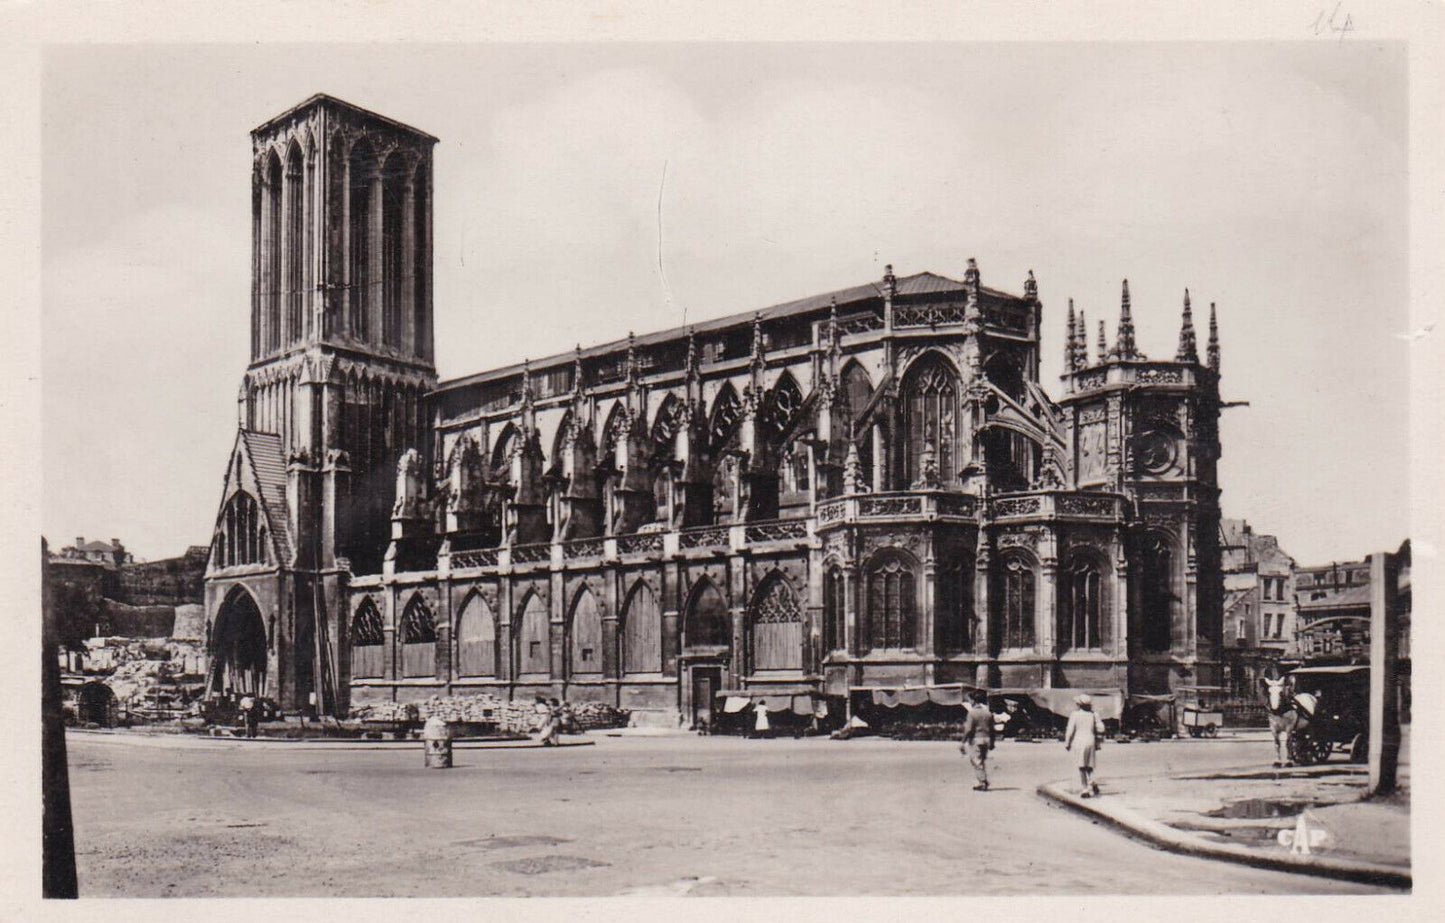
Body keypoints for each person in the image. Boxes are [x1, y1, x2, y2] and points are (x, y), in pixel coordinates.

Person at [1064, 694, 1106, 797]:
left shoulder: (1075, 715)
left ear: (1079, 705)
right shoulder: (1094, 714)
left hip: (1079, 740)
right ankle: (1092, 781)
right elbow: (1101, 728)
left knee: (1081, 766)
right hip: (1090, 740)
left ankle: (1085, 789)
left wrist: (1067, 742)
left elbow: (1070, 730)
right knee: (1089, 764)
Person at [960, 690, 995, 791]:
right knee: (982, 760)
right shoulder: (988, 713)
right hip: (987, 739)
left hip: (976, 739)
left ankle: (982, 782)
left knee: (976, 761)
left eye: (970, 700)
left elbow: (969, 729)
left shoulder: (972, 713)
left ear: (973, 700)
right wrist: (992, 742)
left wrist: (963, 741)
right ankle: (982, 780)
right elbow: (992, 729)